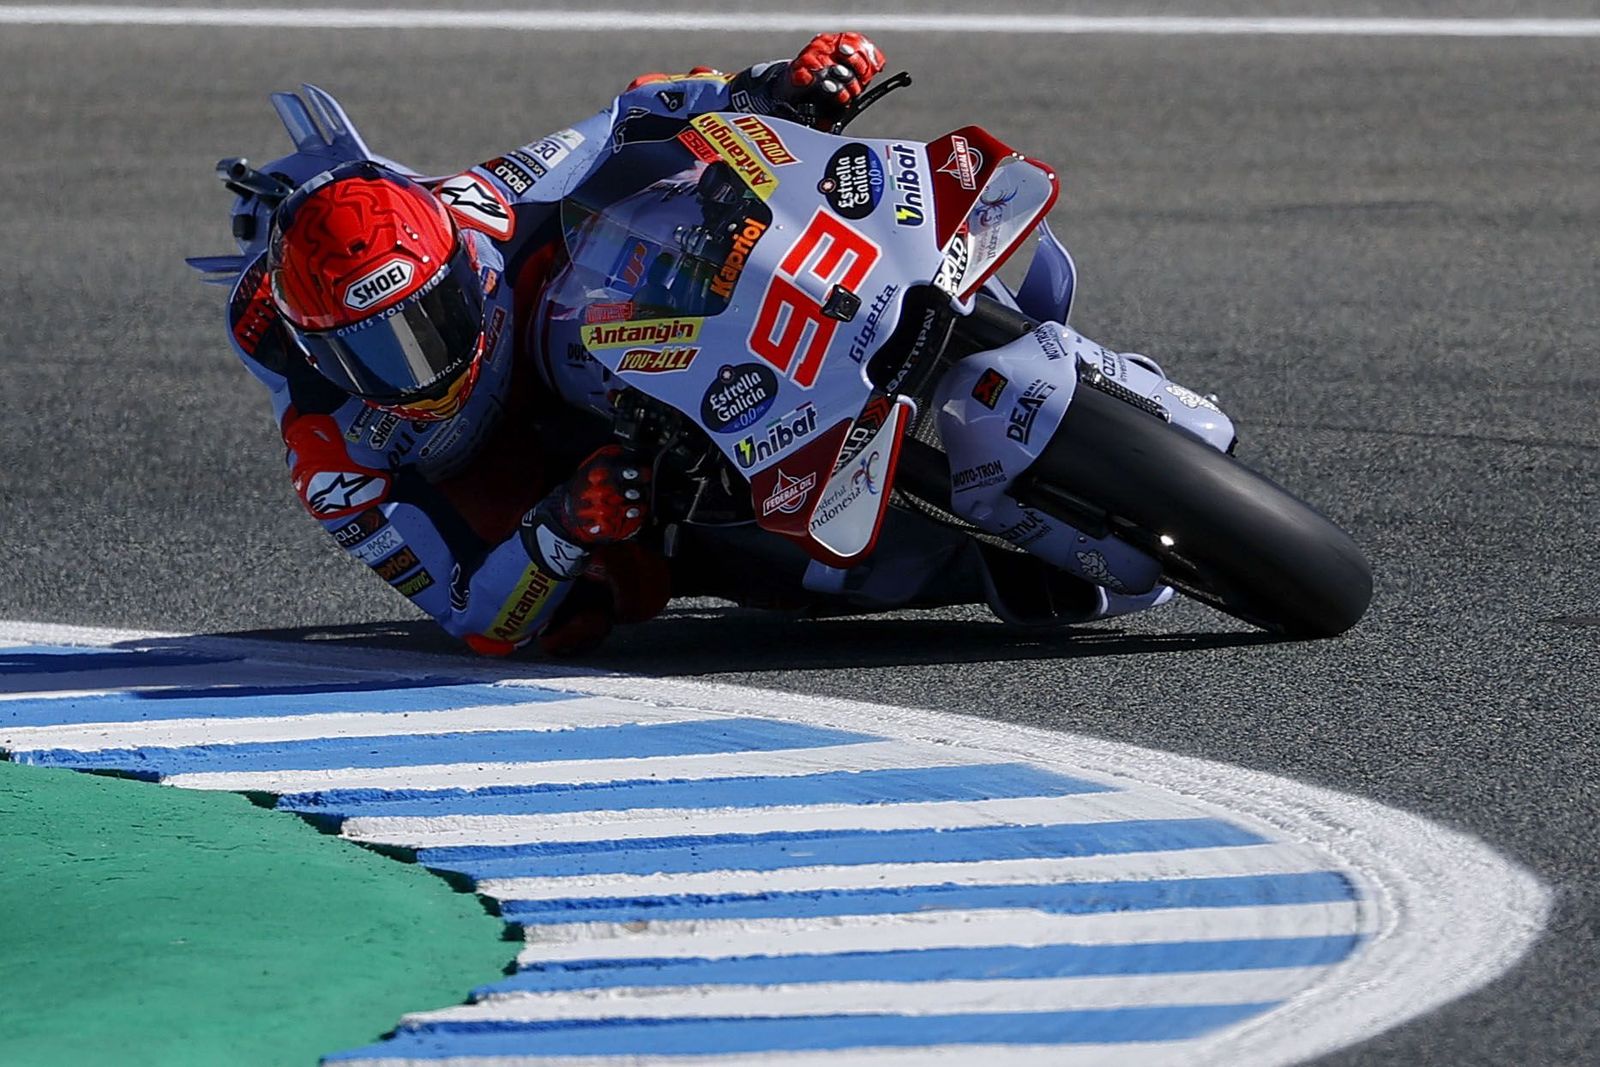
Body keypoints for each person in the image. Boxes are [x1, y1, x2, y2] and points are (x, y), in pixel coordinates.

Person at [224, 33, 886, 656]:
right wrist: (564, 523)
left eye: (434, 315)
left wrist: (774, 87)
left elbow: (637, 110)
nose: (426, 367)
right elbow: (474, 616)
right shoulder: (328, 453)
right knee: (573, 620)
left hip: (559, 343)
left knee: (681, 201)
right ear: (317, 355)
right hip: (513, 481)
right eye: (378, 352)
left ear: (457, 259)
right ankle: (737, 527)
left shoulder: (483, 205)